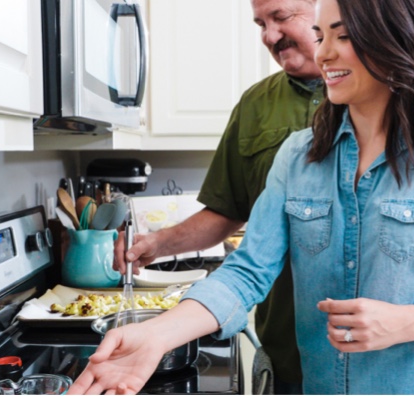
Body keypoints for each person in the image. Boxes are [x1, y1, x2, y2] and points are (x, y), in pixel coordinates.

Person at [70, 0, 414, 393]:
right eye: (320, 34)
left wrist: (406, 323)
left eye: (343, 36)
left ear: (396, 38)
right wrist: (156, 334)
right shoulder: (298, 156)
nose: (325, 52)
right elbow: (248, 271)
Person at [113, 0, 322, 393]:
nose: (269, 36)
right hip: (285, 354)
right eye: (261, 23)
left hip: (380, 367)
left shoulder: (389, 104)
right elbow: (234, 222)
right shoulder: (257, 104)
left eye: (281, 18)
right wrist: (156, 245)